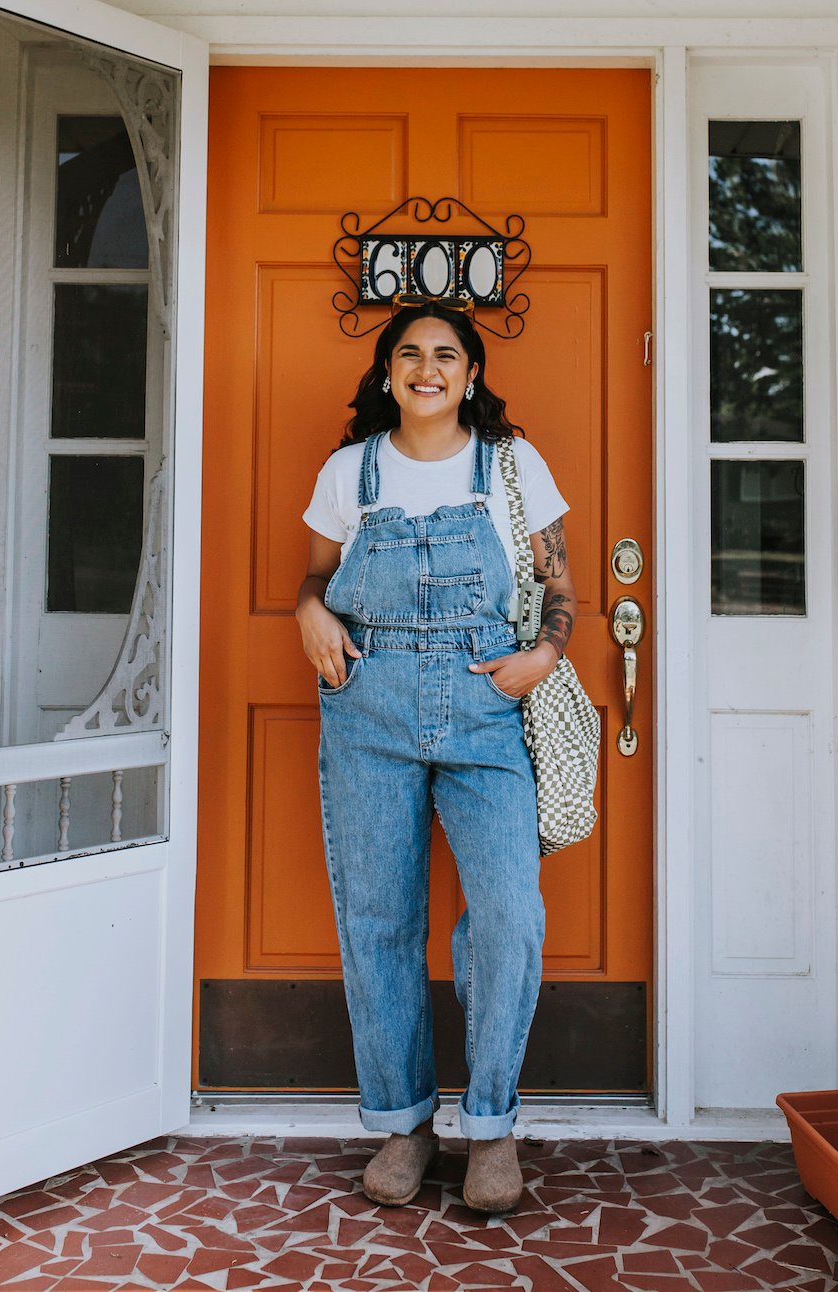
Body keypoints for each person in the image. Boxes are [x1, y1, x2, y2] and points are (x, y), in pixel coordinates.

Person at [296, 301, 577, 1214]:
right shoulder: (350, 470)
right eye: (409, 353)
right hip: (367, 705)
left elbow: (558, 589)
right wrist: (308, 609)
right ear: (387, 373)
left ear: (468, 375)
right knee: (378, 916)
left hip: (484, 704)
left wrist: (537, 659)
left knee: (507, 911)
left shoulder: (511, 465)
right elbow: (315, 574)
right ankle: (403, 1124)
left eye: (445, 354)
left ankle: (489, 1127)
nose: (427, 367)